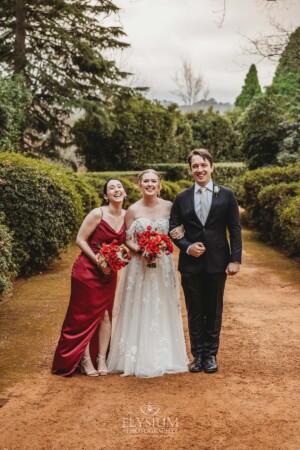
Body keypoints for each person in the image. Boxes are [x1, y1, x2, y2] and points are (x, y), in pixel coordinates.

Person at [107, 169, 188, 377]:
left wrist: (169, 241)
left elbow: (179, 230)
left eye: (153, 181)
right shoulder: (132, 210)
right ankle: (135, 357)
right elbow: (127, 238)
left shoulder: (170, 207)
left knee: (163, 304)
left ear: (159, 184)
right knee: (140, 304)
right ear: (140, 185)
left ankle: (166, 355)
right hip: (139, 266)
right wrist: (141, 250)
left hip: (163, 265)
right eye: (146, 181)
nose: (150, 184)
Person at [170, 149, 242, 374]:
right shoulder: (182, 197)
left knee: (213, 310)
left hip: (217, 263)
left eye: (203, 165)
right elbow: (172, 228)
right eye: (195, 166)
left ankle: (211, 355)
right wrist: (187, 247)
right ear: (190, 170)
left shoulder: (227, 194)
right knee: (194, 311)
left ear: (211, 167)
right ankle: (197, 355)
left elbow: (235, 228)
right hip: (190, 265)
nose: (199, 170)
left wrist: (235, 260)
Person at [52, 179, 127, 377]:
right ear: (106, 196)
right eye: (112, 188)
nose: (116, 190)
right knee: (83, 316)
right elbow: (80, 239)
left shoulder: (128, 217)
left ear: (125, 193)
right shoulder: (98, 213)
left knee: (105, 315)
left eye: (119, 187)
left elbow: (127, 243)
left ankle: (101, 357)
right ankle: (85, 360)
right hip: (86, 270)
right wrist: (98, 261)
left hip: (108, 274)